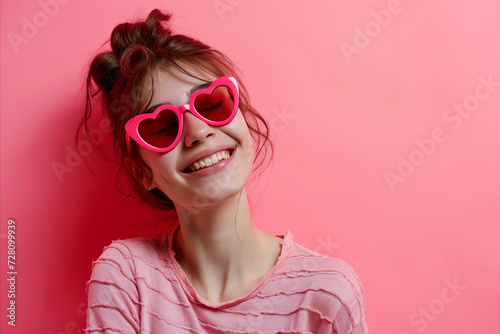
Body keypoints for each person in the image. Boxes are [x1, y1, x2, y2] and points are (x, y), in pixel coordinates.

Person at [80, 8, 367, 333]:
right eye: (160, 126)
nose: (198, 132)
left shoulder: (326, 296)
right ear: (144, 172)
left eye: (211, 104)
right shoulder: (127, 278)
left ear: (243, 121)